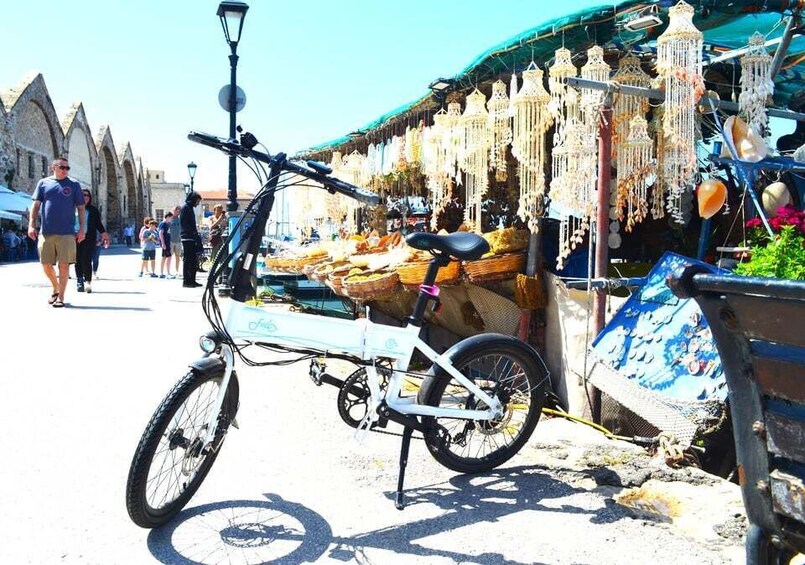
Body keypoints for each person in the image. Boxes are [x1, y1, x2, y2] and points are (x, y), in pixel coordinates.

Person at [28, 156, 86, 308]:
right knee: (46, 264)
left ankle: (61, 296)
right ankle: (56, 287)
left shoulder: (74, 185)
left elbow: (81, 208)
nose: (66, 170)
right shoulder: (43, 183)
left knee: (64, 265)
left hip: (67, 233)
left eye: (68, 168)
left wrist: (82, 229)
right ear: (54, 167)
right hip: (46, 231)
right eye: (63, 167)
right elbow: (35, 206)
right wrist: (31, 225)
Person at [74, 189, 110, 293]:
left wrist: (105, 235)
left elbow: (98, 224)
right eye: (83, 195)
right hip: (75, 237)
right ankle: (79, 280)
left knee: (86, 259)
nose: (85, 197)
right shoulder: (73, 209)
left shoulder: (93, 210)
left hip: (89, 238)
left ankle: (88, 282)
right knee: (77, 260)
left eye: (87, 195)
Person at [180, 191, 203, 288]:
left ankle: (192, 280)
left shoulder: (189, 208)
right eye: (197, 201)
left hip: (191, 237)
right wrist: (193, 233)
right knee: (188, 260)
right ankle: (187, 281)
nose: (198, 203)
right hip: (188, 238)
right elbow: (186, 224)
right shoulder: (186, 208)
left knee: (193, 260)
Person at [157, 211, 174, 278]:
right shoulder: (163, 224)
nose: (171, 219)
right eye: (171, 218)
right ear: (167, 217)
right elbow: (160, 233)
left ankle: (168, 272)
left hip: (168, 242)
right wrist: (163, 243)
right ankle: (162, 273)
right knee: (164, 257)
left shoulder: (168, 224)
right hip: (165, 243)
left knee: (169, 257)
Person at [168, 205, 183, 277]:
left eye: (179, 211)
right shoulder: (170, 219)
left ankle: (177, 270)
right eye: (176, 210)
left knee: (178, 256)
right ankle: (169, 271)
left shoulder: (180, 219)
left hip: (178, 241)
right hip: (171, 240)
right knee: (169, 256)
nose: (178, 212)